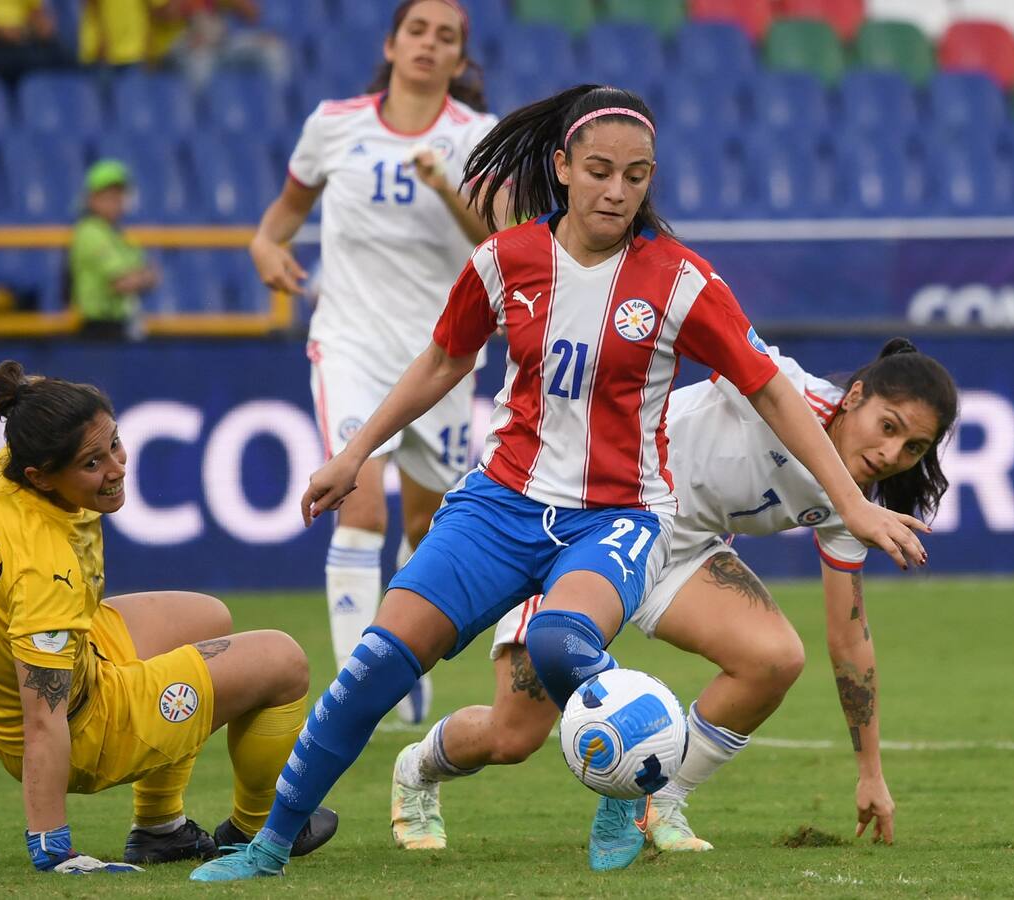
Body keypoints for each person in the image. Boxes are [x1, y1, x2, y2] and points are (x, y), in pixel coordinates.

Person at [189, 82, 930, 882]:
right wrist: (355, 453)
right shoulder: (504, 262)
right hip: (502, 501)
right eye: (602, 170)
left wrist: (854, 503)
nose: (618, 190)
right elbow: (443, 361)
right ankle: (268, 847)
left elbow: (770, 388)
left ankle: (628, 786)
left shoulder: (681, 281)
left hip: (619, 514)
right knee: (376, 667)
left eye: (638, 175)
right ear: (563, 168)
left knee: (558, 640)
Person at [389, 338, 958, 868]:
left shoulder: (853, 503)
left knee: (774, 658)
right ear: (855, 396)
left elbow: (849, 638)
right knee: (512, 738)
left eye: (913, 447)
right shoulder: (779, 386)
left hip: (677, 554)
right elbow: (702, 324)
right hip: (587, 523)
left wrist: (871, 774)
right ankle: (415, 772)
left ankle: (661, 800)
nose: (890, 453)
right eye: (887, 426)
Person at [0, 360, 337, 874]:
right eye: (92, 463)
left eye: (115, 444)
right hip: (82, 730)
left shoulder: (11, 465)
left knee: (208, 618)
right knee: (285, 660)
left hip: (41, 672)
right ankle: (258, 827)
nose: (117, 468)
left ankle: (159, 830)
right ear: (41, 476)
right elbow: (42, 721)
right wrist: (53, 848)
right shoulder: (42, 572)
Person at [247, 0, 499, 724]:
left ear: (459, 58)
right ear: (391, 43)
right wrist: (267, 250)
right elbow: (278, 224)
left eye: (445, 36)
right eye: (417, 31)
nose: (428, 44)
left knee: (430, 528)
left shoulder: (476, 138)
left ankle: (403, 656)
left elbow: (502, 241)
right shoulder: (335, 123)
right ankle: (367, 696)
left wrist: (448, 187)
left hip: (442, 356)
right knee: (356, 500)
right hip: (350, 340)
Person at [69, 160, 157, 341]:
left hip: (120, 324)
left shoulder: (117, 233)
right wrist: (143, 277)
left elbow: (150, 274)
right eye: (108, 196)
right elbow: (123, 282)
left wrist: (142, 277)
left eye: (119, 196)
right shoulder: (90, 231)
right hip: (100, 330)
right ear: (92, 199)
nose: (115, 202)